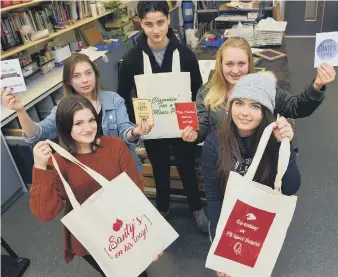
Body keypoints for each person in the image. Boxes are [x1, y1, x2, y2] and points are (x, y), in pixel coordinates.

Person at [29, 95, 160, 277]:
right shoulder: (59, 162)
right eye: (79, 123)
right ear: (66, 127)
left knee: (137, 270)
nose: (88, 128)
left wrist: (149, 238)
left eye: (91, 120)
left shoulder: (115, 146)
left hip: (127, 227)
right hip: (92, 235)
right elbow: (45, 213)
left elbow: (136, 193)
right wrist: (40, 168)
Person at [117, 1, 208, 232]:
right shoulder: (131, 59)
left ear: (169, 20)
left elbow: (198, 91)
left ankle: (196, 207)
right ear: (140, 23)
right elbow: (123, 94)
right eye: (148, 24)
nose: (155, 30)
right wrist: (135, 119)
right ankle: (163, 207)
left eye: (160, 23)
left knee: (187, 165)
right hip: (151, 126)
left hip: (181, 125)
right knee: (159, 167)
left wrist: (194, 123)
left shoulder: (186, 55)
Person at [201, 72, 302, 277]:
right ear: (229, 107)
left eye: (255, 106)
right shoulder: (214, 143)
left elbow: (290, 187)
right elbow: (213, 198)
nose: (245, 112)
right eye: (239, 103)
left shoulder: (273, 139)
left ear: (266, 112)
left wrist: (285, 145)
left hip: (259, 223)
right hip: (228, 221)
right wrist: (222, 248)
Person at [0, 53, 152, 173]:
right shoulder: (63, 108)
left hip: (120, 167)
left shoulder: (113, 100)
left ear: (95, 75)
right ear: (68, 81)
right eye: (76, 76)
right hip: (86, 173)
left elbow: (124, 133)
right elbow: (37, 134)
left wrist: (134, 132)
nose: (85, 80)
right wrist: (20, 110)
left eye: (88, 73)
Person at [181, 37, 336, 143]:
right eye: (229, 64)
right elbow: (203, 125)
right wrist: (195, 134)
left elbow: (296, 107)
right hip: (221, 162)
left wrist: (317, 86)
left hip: (258, 163)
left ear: (250, 64)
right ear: (220, 65)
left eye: (241, 63)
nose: (235, 70)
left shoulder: (263, 87)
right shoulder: (207, 92)